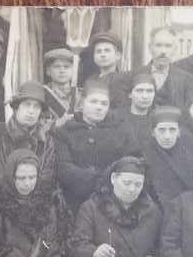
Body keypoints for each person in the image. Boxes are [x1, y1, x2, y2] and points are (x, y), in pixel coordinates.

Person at [54, 80, 140, 210]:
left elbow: (131, 162)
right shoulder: (65, 131)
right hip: (75, 201)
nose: (99, 107)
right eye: (93, 102)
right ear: (82, 104)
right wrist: (97, 179)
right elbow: (64, 168)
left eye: (104, 103)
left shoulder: (121, 129)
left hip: (114, 201)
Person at [0, 80, 58, 188]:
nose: (31, 111)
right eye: (27, 105)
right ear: (16, 107)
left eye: (36, 106)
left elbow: (46, 178)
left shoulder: (46, 141)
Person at [142, 106, 193, 206]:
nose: (167, 136)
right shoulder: (144, 155)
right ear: (153, 132)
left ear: (179, 132)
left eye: (172, 129)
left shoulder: (190, 149)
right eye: (161, 130)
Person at [134, 26, 193, 110]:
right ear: (150, 48)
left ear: (175, 49)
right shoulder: (134, 75)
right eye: (158, 45)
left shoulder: (187, 80)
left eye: (168, 46)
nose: (163, 51)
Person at [85, 32, 130, 109]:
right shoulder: (90, 80)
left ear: (118, 55)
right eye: (98, 51)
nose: (102, 54)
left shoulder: (123, 80)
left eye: (107, 50)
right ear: (94, 57)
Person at [115, 72, 157, 145]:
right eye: (139, 91)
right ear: (130, 94)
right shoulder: (117, 117)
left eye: (150, 91)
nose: (145, 96)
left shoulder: (158, 119)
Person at [42, 47, 80, 127]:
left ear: (74, 71)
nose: (62, 70)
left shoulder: (82, 95)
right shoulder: (42, 94)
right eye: (57, 66)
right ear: (48, 71)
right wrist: (56, 124)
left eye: (66, 67)